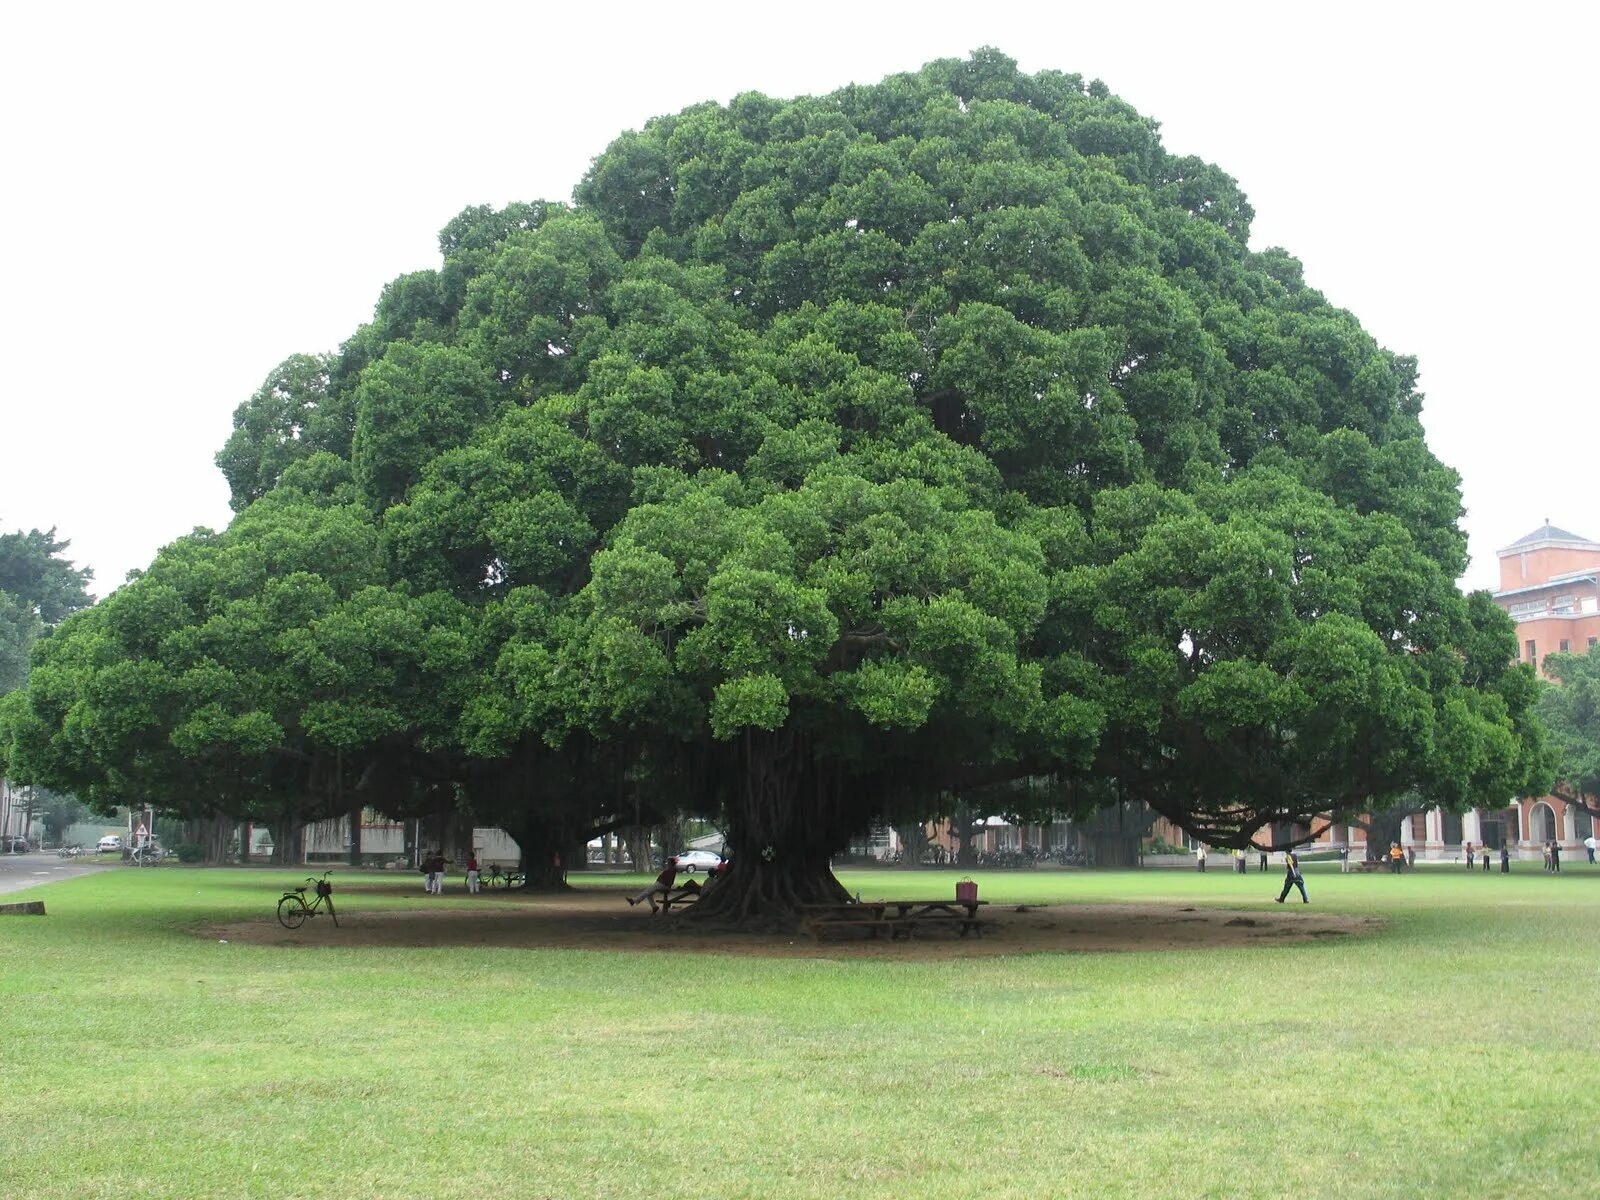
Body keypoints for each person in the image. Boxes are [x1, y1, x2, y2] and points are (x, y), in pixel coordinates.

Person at [627, 861, 701, 913]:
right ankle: (654, 907)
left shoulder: (671, 870)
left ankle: (634, 901)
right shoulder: (670, 870)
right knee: (648, 893)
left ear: (671, 863)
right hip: (660, 885)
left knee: (648, 891)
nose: (667, 863)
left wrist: (662, 881)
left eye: (668, 862)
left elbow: (668, 882)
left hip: (664, 886)